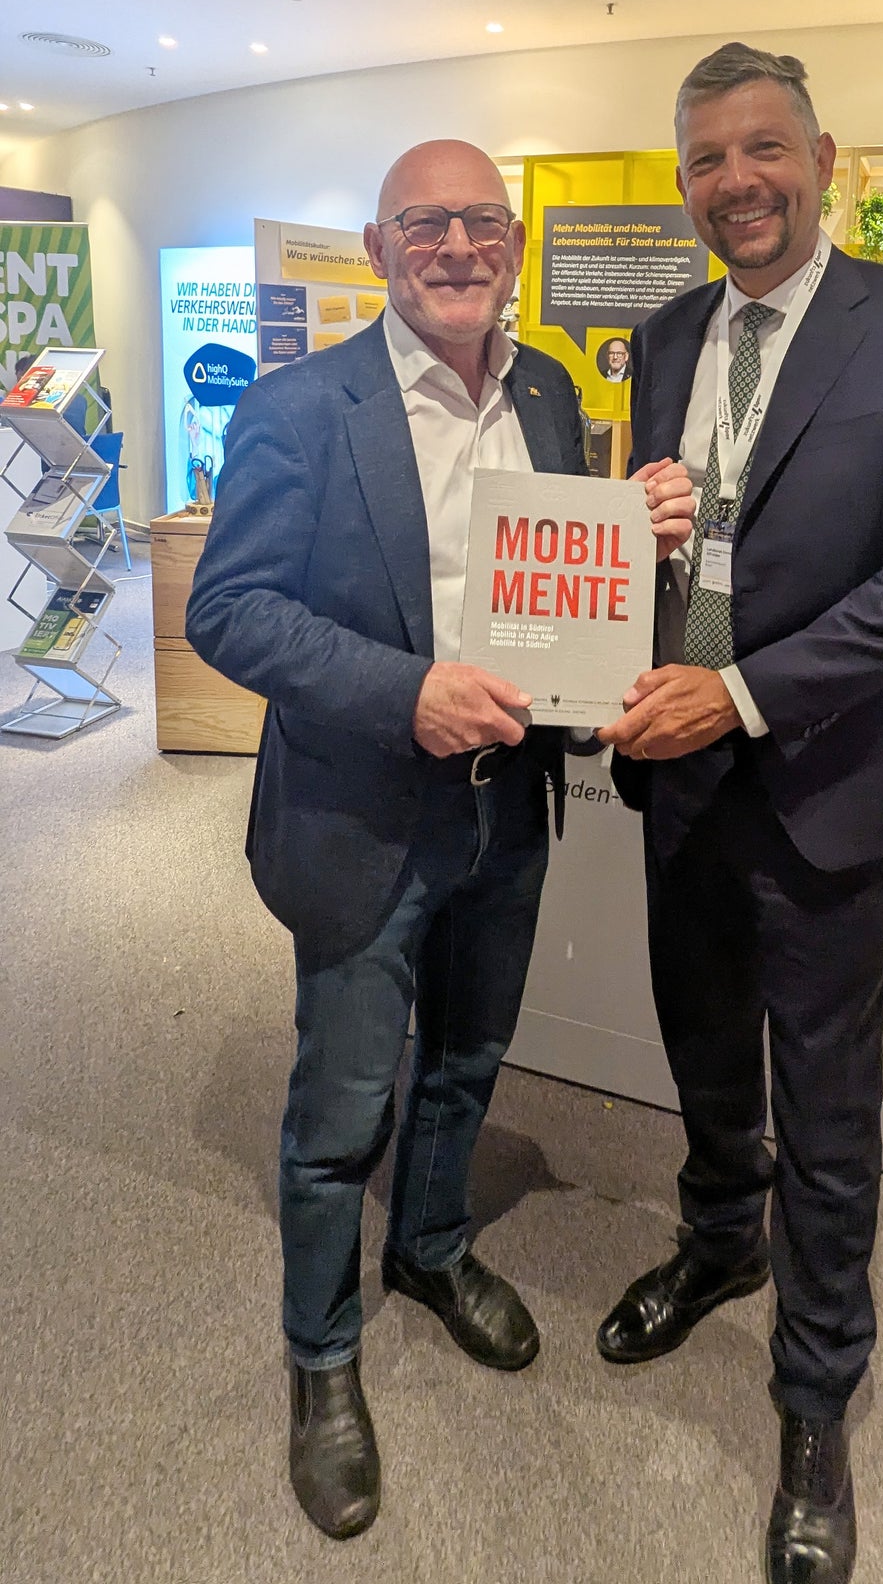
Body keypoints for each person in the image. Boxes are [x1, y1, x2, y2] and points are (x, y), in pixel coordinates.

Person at [185, 139, 694, 1542]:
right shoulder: (297, 407)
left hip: (504, 810)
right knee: (338, 1108)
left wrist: (634, 545)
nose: (455, 247)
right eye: (425, 226)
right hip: (358, 815)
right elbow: (228, 610)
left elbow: (560, 597)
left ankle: (428, 1253)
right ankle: (321, 1357)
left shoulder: (548, 392)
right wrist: (400, 689)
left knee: (467, 1061)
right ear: (375, 246)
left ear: (514, 244)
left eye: (480, 224)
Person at [595, 44, 883, 1584]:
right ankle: (714, 1247)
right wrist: (631, 545)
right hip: (678, 771)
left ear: (823, 156)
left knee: (824, 1098)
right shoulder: (664, 331)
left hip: (825, 773)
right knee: (700, 1040)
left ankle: (815, 1394)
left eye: (761, 151)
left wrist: (743, 691)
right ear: (682, 178)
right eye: (704, 159)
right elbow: (656, 553)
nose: (734, 184)